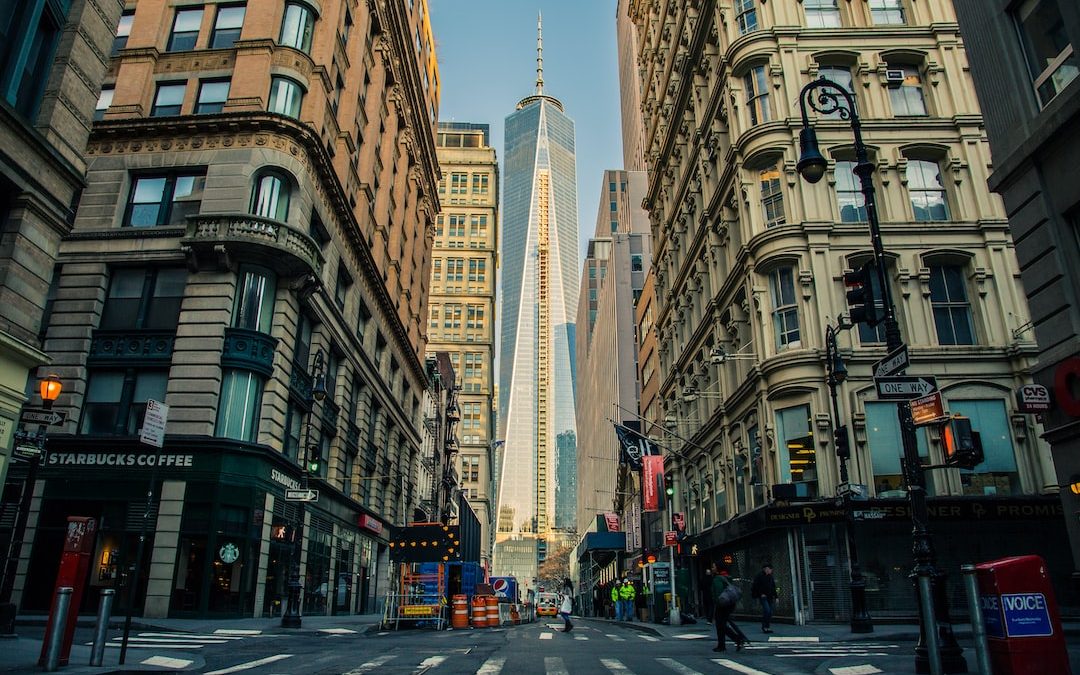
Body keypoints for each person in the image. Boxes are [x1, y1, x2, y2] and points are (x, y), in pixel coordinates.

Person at [710, 564, 747, 653]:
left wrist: (715, 601)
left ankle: (734, 641)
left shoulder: (717, 579)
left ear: (718, 569)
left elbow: (718, 593)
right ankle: (732, 641)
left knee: (720, 625)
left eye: (713, 567)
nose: (712, 568)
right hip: (730, 604)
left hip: (722, 604)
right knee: (722, 624)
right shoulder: (727, 577)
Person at [751, 562, 778, 633]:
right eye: (770, 569)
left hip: (770, 596)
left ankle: (767, 626)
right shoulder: (759, 576)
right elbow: (756, 586)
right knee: (767, 610)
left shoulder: (770, 577)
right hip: (763, 596)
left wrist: (776, 596)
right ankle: (765, 627)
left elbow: (773, 587)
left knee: (770, 612)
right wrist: (760, 594)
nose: (771, 571)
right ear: (766, 569)